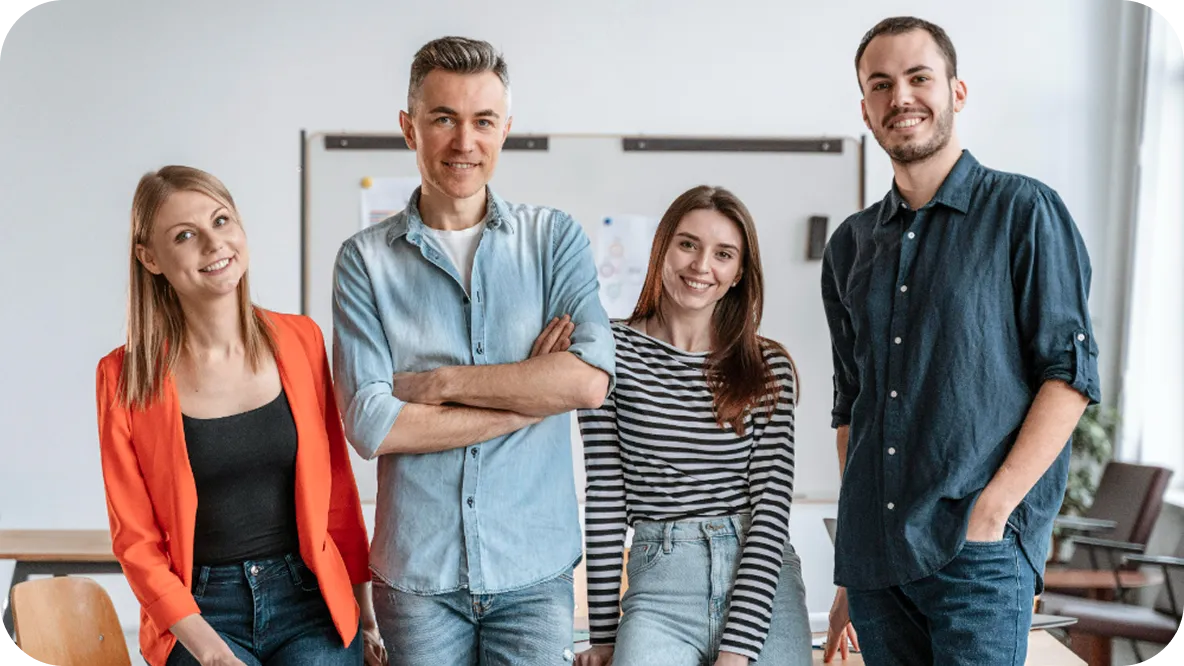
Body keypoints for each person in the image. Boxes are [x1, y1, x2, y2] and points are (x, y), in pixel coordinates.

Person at [819, 16, 1101, 665]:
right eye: (881, 85)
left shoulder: (1024, 211)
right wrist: (850, 564)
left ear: (957, 90)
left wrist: (992, 514)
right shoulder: (850, 245)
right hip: (876, 562)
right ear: (865, 108)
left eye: (919, 78)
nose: (902, 98)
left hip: (977, 554)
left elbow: (1070, 376)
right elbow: (851, 407)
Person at [330, 36, 616, 665]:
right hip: (417, 579)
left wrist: (437, 385)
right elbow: (372, 422)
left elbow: (589, 380)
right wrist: (528, 398)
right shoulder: (364, 262)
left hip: (534, 573)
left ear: (505, 130)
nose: (465, 142)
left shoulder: (553, 240)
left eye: (483, 121)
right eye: (443, 119)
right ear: (410, 129)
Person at [95, 166, 384, 666]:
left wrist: (364, 612)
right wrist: (208, 651)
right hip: (200, 610)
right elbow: (136, 541)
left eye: (222, 220)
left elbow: (336, 489)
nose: (214, 243)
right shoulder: (123, 377)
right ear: (150, 258)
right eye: (185, 235)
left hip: (309, 599)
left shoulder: (300, 341)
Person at [576, 185, 812, 666]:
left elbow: (770, 508)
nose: (701, 266)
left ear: (739, 272)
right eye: (688, 244)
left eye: (723, 254)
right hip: (661, 585)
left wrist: (738, 649)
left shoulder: (768, 367)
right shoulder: (608, 354)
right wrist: (602, 635)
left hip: (760, 581)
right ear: (662, 246)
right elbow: (605, 496)